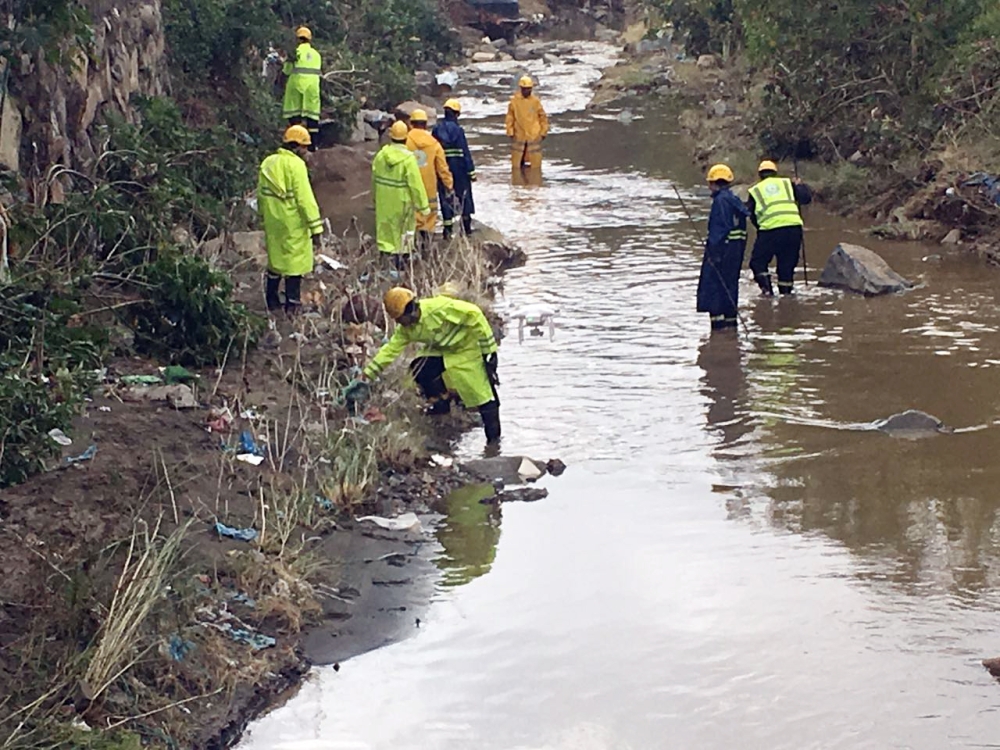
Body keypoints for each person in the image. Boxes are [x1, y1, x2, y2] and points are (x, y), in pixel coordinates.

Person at [361, 287, 501, 443]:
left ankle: (494, 444)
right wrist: (368, 374)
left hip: (467, 349)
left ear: (410, 311)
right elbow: (390, 350)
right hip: (442, 351)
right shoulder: (407, 330)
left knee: (485, 399)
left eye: (400, 319)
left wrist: (489, 352)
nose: (399, 323)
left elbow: (474, 314)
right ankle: (441, 403)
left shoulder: (439, 308)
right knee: (421, 368)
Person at [257, 124, 323, 314]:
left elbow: (261, 194)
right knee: (295, 263)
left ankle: (271, 300)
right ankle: (292, 304)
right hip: (293, 222)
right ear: (298, 146)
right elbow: (305, 200)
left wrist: (263, 215)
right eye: (305, 147)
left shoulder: (268, 162)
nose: (306, 152)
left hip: (272, 220)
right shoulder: (296, 166)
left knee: (275, 261)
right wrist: (316, 229)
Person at [746, 159, 813, 296]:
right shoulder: (787, 183)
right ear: (776, 173)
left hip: (769, 231)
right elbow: (806, 198)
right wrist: (800, 185)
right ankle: (786, 295)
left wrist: (762, 228)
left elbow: (752, 216)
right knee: (786, 267)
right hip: (793, 229)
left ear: (759, 175)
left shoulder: (755, 190)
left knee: (757, 262)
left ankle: (767, 292)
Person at [697, 163, 749, 331]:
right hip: (736, 252)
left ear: (713, 183)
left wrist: (713, 254)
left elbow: (718, 231)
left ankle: (718, 330)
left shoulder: (720, 202)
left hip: (722, 252)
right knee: (730, 287)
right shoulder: (734, 200)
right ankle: (731, 326)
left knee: (714, 288)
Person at [372, 121, 430, 268]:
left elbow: (374, 180)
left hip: (384, 202)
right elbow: (416, 186)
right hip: (403, 205)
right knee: (404, 236)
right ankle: (401, 267)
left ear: (391, 137)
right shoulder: (409, 160)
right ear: (406, 138)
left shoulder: (380, 156)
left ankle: (384, 265)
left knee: (385, 234)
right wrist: (424, 207)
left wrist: (375, 198)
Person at [405, 109, 454, 249]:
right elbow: (442, 168)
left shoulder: (405, 141)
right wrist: (449, 184)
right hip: (429, 188)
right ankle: (426, 247)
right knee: (428, 219)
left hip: (409, 186)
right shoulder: (434, 143)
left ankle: (409, 249)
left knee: (411, 217)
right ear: (425, 125)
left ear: (410, 124)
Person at [432, 99, 477, 240]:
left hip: (443, 169)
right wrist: (471, 172)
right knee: (464, 197)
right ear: (456, 114)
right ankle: (467, 229)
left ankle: (447, 230)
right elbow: (465, 153)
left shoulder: (436, 130)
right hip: (460, 170)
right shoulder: (458, 131)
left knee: (445, 198)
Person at [281, 26, 322, 146]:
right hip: (312, 88)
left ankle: (295, 144)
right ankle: (313, 145)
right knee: (312, 117)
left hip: (296, 86)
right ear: (309, 39)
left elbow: (287, 71)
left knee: (294, 116)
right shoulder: (316, 54)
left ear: (298, 39)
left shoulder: (295, 53)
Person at [505, 75, 548, 177]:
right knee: (517, 166)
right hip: (519, 135)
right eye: (525, 89)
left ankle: (532, 183)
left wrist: (543, 132)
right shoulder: (514, 101)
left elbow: (543, 117)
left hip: (533, 135)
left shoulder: (535, 101)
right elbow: (510, 117)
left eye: (529, 89)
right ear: (521, 88)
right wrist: (510, 131)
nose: (527, 91)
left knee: (535, 168)